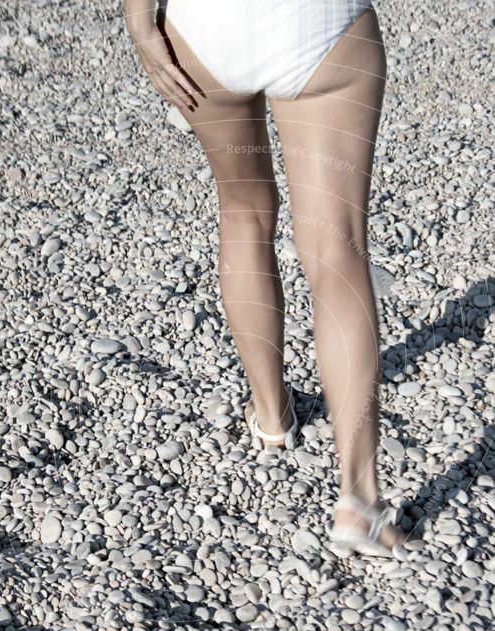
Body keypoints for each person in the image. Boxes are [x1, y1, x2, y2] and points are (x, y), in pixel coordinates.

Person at [123, 0, 421, 559]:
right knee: (336, 250)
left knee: (244, 211)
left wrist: (139, 20)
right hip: (319, 22)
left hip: (207, 29)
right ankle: (359, 501)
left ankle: (270, 416)